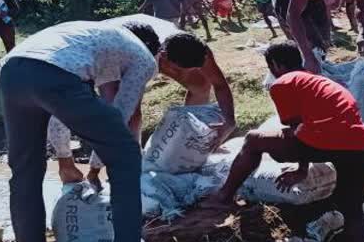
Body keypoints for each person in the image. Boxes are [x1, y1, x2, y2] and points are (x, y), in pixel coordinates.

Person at [0, 21, 204, 242]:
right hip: (52, 73)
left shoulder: (98, 40)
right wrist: (94, 168)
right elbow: (121, 116)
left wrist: (65, 160)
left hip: (11, 72)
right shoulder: (144, 58)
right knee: (127, 154)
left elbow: (58, 113)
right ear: (160, 53)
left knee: (25, 168)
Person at [214, 42, 364, 242]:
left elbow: (296, 130)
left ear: (276, 65)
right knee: (354, 211)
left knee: (253, 140)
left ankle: (224, 196)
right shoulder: (317, 81)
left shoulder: (283, 83)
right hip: (361, 145)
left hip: (323, 139)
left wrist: (301, 170)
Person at [51, 17, 235, 188]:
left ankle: (187, 139)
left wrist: (229, 120)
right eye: (179, 70)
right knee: (129, 115)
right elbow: (118, 117)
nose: (181, 75)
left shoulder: (195, 49)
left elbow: (219, 84)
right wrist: (89, 170)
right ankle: (129, 162)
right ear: (164, 59)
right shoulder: (130, 60)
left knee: (201, 84)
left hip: (143, 41)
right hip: (113, 50)